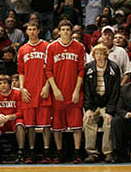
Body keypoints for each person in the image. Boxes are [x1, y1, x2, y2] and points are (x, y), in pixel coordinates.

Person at [45, 20, 85, 163]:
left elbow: (81, 70)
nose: (66, 32)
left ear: (71, 32)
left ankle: (77, 153)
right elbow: (48, 70)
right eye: (64, 29)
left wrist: (76, 90)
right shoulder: (51, 47)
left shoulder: (79, 47)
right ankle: (59, 153)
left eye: (68, 29)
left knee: (77, 127)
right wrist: (55, 89)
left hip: (74, 92)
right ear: (59, 31)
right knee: (57, 127)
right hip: (58, 92)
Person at [17, 23, 52, 164]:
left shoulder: (46, 47)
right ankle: (31, 153)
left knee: (45, 125)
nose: (32, 32)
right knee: (30, 125)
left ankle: (46, 152)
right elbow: (21, 72)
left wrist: (47, 86)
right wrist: (22, 88)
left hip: (43, 89)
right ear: (26, 32)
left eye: (34, 30)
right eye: (29, 30)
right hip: (28, 91)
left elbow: (52, 68)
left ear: (38, 31)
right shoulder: (22, 49)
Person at [83, 43, 120, 163]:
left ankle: (108, 152)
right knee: (88, 120)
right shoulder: (88, 67)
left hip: (107, 103)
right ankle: (92, 153)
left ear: (106, 55)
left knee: (109, 121)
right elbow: (86, 90)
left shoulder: (113, 68)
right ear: (93, 55)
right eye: (97, 54)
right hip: (93, 104)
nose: (99, 56)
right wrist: (88, 108)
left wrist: (110, 111)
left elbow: (115, 92)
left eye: (101, 54)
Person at [0, 74, 25, 164]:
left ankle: (21, 152)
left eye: (5, 83)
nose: (3, 85)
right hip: (1, 121)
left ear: (10, 84)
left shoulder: (17, 93)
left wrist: (9, 117)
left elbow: (21, 112)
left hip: (13, 119)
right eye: (0, 83)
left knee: (20, 124)